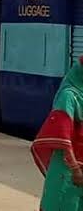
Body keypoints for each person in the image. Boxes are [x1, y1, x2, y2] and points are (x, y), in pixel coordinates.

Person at [31, 55, 83, 210]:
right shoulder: (69, 96)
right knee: (63, 203)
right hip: (68, 169)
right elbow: (62, 136)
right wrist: (75, 169)